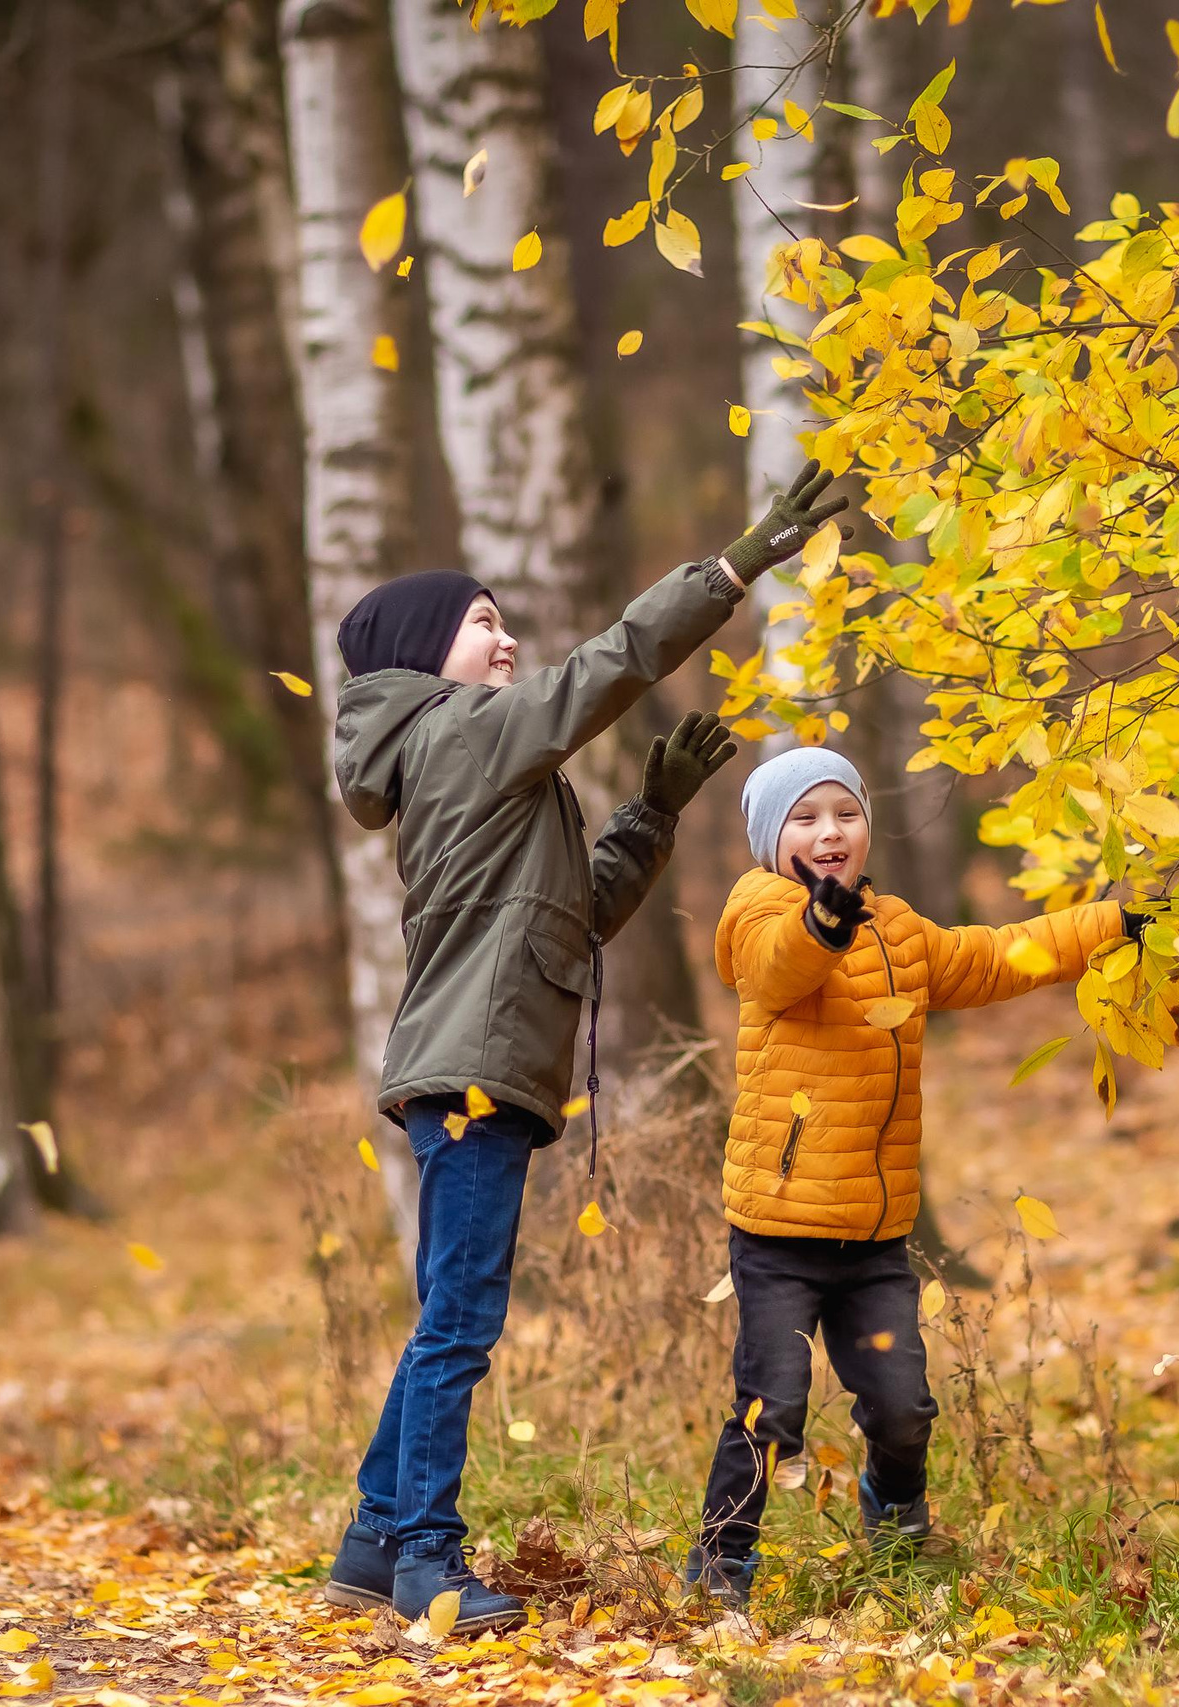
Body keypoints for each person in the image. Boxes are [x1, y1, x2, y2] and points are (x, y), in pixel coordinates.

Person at [319, 462, 849, 1635]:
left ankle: (370, 1538)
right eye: (483, 626)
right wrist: (735, 567)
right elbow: (607, 666)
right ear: (421, 654)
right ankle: (424, 1561)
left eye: (507, 626)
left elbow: (580, 910)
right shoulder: (461, 737)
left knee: (446, 1308)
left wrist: (651, 815)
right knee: (460, 1317)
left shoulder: (467, 760)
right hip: (470, 1069)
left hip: (477, 1064)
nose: (507, 645)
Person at [682, 747, 1138, 1612]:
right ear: (772, 838)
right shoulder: (758, 911)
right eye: (806, 818)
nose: (829, 832)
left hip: (875, 1236)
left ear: (866, 825)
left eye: (844, 813)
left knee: (903, 1404)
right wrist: (822, 923)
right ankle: (719, 1565)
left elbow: (1001, 955)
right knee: (772, 1405)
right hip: (779, 1233)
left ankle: (894, 1528)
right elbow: (781, 966)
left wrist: (1113, 925)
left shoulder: (896, 927)